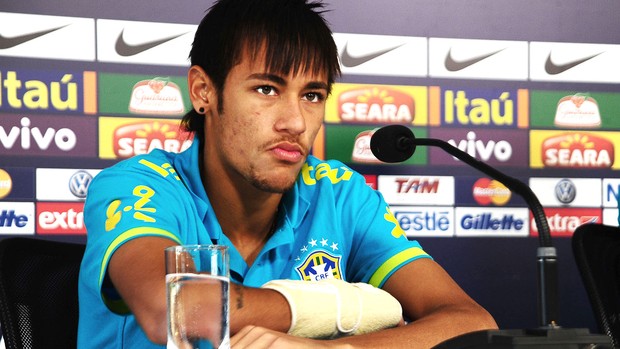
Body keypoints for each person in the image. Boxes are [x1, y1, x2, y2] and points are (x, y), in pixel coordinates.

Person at [78, 0, 498, 348]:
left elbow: (472, 322)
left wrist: (333, 348)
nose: (295, 122)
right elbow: (175, 308)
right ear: (204, 91)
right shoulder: (139, 184)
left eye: (312, 95)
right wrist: (346, 306)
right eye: (267, 89)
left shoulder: (340, 194)